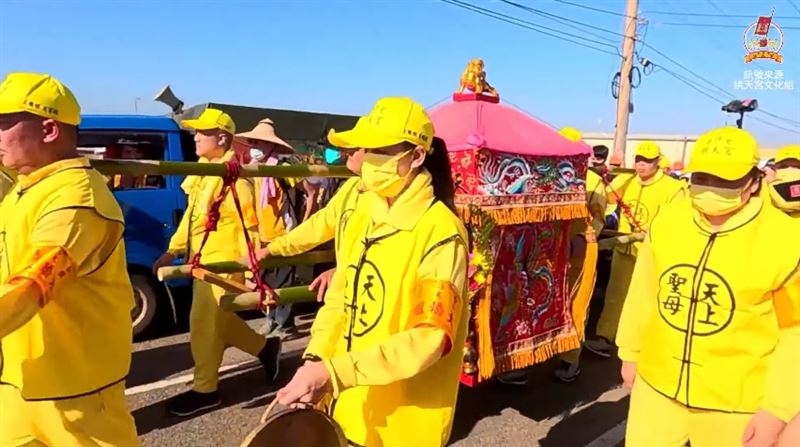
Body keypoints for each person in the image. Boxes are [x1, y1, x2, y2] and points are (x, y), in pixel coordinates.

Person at [275, 97, 468, 447]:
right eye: (367, 147)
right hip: (350, 405)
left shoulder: (441, 232)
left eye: (379, 149)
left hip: (406, 421)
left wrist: (335, 372)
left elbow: (429, 338)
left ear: (417, 156)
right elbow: (339, 299)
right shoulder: (363, 212)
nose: (366, 159)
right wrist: (316, 360)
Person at [616, 127, 800, 447]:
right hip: (657, 385)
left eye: (726, 181)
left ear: (754, 180)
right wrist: (630, 353)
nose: (711, 189)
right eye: (702, 178)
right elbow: (643, 292)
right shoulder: (671, 218)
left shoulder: (785, 239)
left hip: (736, 403)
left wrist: (777, 409)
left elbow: (794, 331)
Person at [0, 72, 138, 446]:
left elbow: (33, 283)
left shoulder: (76, 198)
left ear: (48, 130)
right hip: (20, 379)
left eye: (3, 123)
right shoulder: (25, 187)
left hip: (78, 392)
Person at [152, 108, 281, 416]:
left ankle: (205, 390)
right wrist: (173, 250)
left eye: (202, 132)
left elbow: (250, 227)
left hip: (223, 263)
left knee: (203, 324)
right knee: (218, 323)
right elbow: (193, 218)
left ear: (222, 137)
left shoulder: (233, 175)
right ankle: (266, 349)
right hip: (202, 258)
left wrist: (251, 269)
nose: (195, 137)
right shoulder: (204, 171)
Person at [585, 141, 686, 358]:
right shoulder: (629, 180)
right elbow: (608, 197)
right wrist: (622, 176)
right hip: (624, 250)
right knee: (615, 295)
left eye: (647, 161)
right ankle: (605, 337)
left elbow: (677, 221)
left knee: (646, 300)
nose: (641, 165)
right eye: (638, 159)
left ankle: (645, 343)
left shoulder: (673, 187)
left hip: (652, 253)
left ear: (658, 162)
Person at [236, 118, 300, 334]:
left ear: (272, 146)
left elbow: (306, 187)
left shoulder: (282, 169)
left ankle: (283, 323)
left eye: (260, 144)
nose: (255, 148)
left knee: (283, 280)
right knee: (267, 280)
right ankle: (273, 319)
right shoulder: (253, 171)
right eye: (253, 143)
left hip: (283, 233)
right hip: (262, 234)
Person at [766, 144, 800, 219]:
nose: (790, 170)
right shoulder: (762, 192)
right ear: (775, 170)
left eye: (797, 167)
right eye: (783, 167)